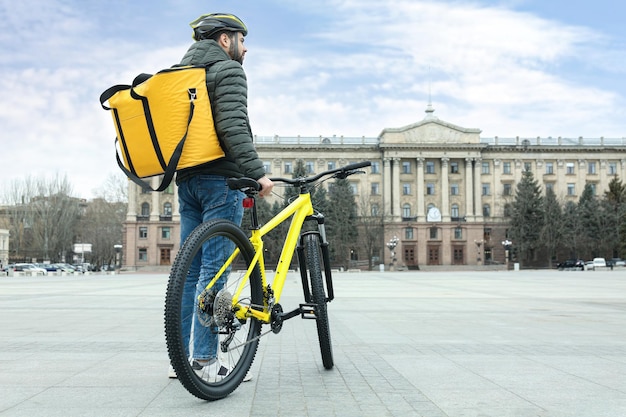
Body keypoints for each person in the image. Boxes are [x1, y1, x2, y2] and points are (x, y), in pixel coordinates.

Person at [170, 13, 273, 381]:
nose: (246, 48)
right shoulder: (228, 71)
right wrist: (257, 173)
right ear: (225, 40)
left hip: (188, 182)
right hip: (222, 182)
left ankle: (181, 360)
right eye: (242, 40)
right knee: (213, 273)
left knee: (188, 272)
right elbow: (232, 126)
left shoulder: (181, 73)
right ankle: (204, 360)